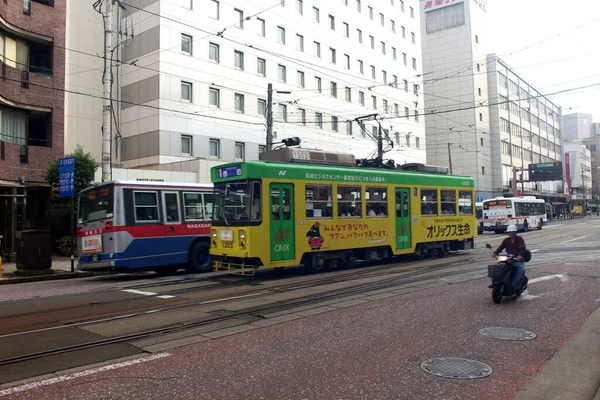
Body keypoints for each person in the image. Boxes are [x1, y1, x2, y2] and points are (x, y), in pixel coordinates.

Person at [490, 224, 526, 290]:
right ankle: (496, 282)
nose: (511, 234)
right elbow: (500, 247)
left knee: (521, 269)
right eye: (509, 232)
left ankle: (514, 284)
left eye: (512, 232)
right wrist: (495, 253)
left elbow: (522, 248)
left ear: (515, 232)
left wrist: (519, 255)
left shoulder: (520, 239)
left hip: (517, 259)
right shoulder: (506, 240)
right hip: (509, 258)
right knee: (498, 268)